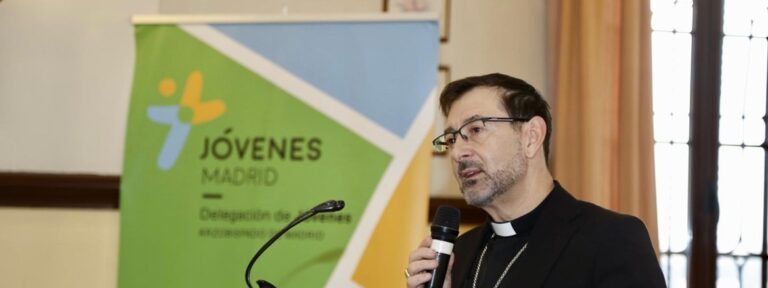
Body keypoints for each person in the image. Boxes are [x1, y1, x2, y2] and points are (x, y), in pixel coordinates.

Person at [405, 73, 666, 288]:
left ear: (531, 137)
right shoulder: (458, 255)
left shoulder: (611, 240)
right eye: (451, 139)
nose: (458, 152)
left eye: (475, 130)